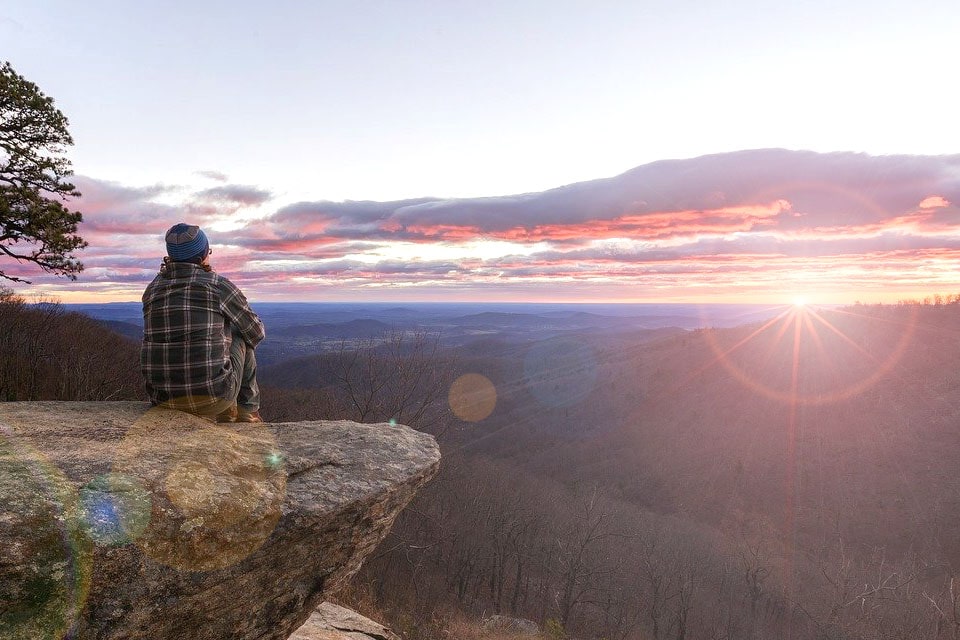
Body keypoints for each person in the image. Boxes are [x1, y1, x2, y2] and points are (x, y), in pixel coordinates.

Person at [141, 223, 265, 422]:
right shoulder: (218, 286)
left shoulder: (153, 289)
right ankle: (247, 413)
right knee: (241, 333)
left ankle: (234, 411)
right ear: (202, 257)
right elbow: (256, 332)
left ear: (170, 256)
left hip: (162, 398)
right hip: (214, 398)